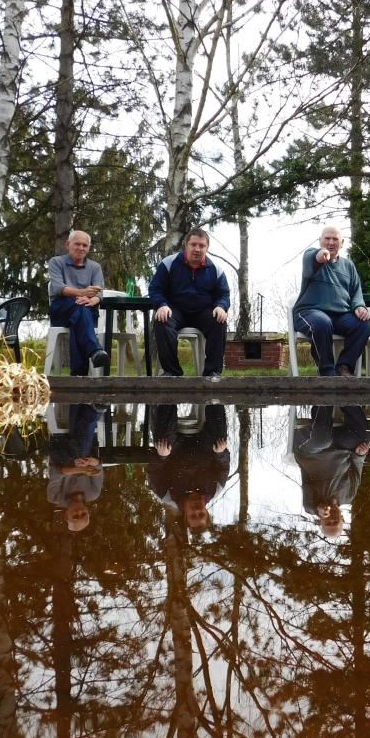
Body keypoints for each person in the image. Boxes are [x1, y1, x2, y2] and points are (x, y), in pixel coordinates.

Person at [149, 227, 230, 378]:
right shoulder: (168, 263)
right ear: (186, 245)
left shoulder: (216, 269)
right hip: (175, 311)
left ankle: (212, 373)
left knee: (219, 320)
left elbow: (223, 294)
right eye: (193, 244)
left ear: (207, 248)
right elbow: (155, 289)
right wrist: (161, 304)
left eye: (202, 245)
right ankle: (172, 373)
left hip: (203, 312)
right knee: (162, 319)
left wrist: (221, 306)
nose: (197, 249)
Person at [292, 225, 370, 376]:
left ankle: (344, 366)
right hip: (309, 312)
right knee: (322, 322)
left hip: (340, 316)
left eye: (335, 239)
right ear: (320, 241)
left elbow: (356, 292)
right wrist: (320, 256)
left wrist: (359, 306)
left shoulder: (348, 265)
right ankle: (327, 372)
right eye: (327, 239)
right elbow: (313, 258)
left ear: (342, 243)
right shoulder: (310, 255)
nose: (331, 242)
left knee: (362, 325)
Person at [148, 403, 230, 531]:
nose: (197, 511)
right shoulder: (216, 489)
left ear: (185, 515)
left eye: (193, 515)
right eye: (201, 514)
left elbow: (154, 471)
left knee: (163, 442)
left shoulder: (166, 496)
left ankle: (168, 397)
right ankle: (214, 397)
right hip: (203, 447)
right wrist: (220, 454)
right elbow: (224, 467)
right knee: (220, 440)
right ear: (206, 512)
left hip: (175, 449)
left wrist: (162, 457)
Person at [293, 405, 370, 538]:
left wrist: (317, 509)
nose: (331, 520)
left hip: (309, 450)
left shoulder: (311, 505)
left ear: (321, 521)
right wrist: (360, 454)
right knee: (362, 437)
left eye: (328, 523)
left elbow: (309, 505)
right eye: (335, 523)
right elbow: (357, 466)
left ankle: (326, 398)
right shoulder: (349, 496)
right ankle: (347, 397)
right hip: (340, 448)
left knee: (322, 440)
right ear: (342, 519)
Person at [47, 229, 110, 375]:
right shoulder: (56, 262)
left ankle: (79, 374)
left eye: (85, 245)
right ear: (67, 244)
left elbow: (99, 293)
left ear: (88, 248)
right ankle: (94, 350)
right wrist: (83, 293)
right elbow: (59, 288)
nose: (81, 248)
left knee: (80, 314)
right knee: (80, 310)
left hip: (86, 310)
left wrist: (93, 299)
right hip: (61, 310)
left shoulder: (95, 267)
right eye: (77, 244)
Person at [48, 403, 104, 532]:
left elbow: (56, 472)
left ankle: (94, 410)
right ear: (88, 511)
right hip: (85, 448)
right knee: (82, 452)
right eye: (83, 514)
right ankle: (80, 402)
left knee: (79, 453)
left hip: (60, 449)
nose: (79, 512)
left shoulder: (55, 498)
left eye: (75, 516)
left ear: (66, 515)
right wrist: (92, 462)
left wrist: (81, 469)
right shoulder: (93, 493)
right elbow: (99, 467)